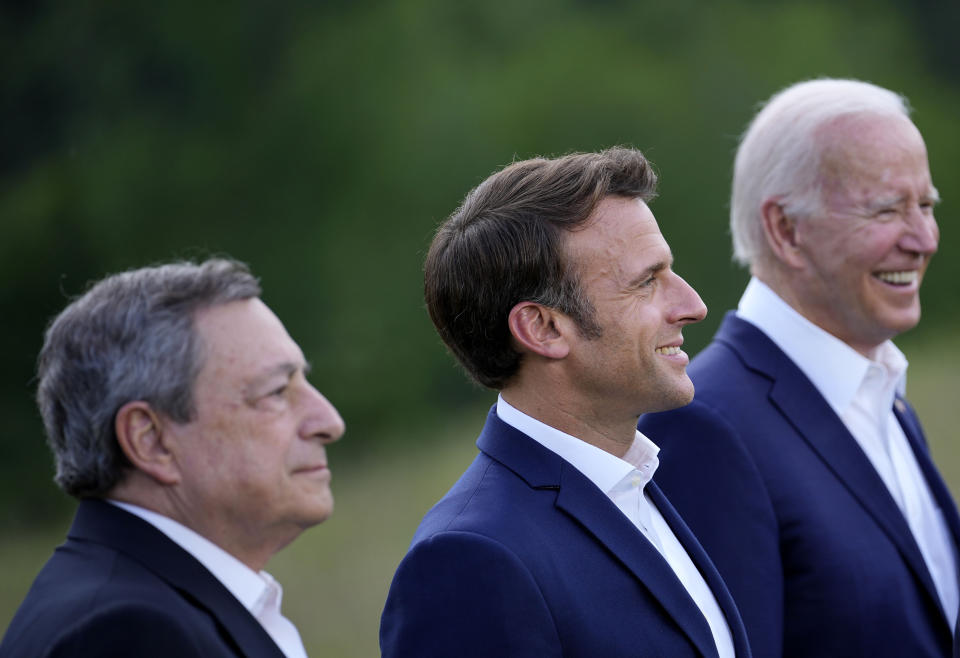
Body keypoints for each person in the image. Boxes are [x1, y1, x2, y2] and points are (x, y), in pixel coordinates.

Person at [380, 147, 752, 657]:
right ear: (543, 328)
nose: (693, 306)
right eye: (647, 282)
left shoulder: (640, 487)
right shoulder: (471, 560)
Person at [638, 78, 960, 658]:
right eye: (888, 208)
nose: (924, 237)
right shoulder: (705, 426)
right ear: (786, 230)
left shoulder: (880, 389)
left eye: (927, 205)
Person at [0, 258, 345, 658]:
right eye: (275, 392)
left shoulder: (148, 602)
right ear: (151, 442)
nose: (329, 422)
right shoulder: (125, 634)